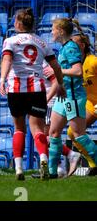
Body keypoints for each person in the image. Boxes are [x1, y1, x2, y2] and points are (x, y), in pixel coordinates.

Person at [0, 8, 66, 181]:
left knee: (19, 129)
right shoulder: (42, 42)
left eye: (15, 20)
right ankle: (43, 160)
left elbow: (7, 60)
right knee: (37, 128)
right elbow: (56, 67)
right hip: (37, 89)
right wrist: (61, 85)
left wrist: (2, 79)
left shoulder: (10, 41)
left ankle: (19, 169)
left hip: (16, 90)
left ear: (19, 23)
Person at [48, 17, 97, 178]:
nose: (51, 32)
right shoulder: (63, 48)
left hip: (74, 96)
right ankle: (51, 172)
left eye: (53, 29)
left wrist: (58, 72)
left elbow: (77, 71)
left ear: (61, 31)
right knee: (54, 132)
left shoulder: (70, 48)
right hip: (64, 95)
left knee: (78, 135)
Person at [71, 32, 97, 175]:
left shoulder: (93, 61)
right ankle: (94, 164)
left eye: (73, 44)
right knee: (73, 132)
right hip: (90, 103)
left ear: (82, 46)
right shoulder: (75, 65)